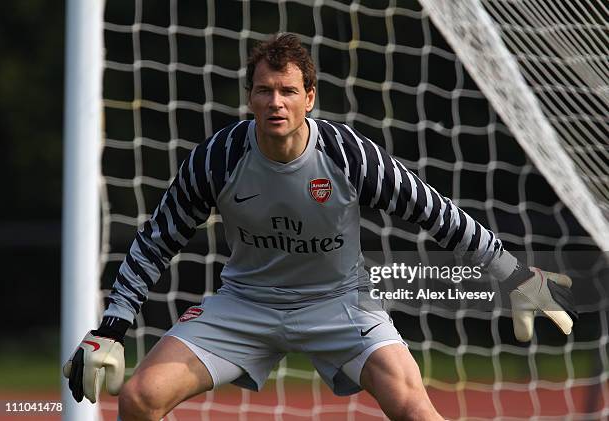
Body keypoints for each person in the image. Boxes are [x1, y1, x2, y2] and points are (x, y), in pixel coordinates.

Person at [63, 33, 577, 421]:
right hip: (246, 302)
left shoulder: (347, 155)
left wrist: (512, 275)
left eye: (287, 91)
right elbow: (156, 242)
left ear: (310, 96)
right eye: (264, 91)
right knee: (138, 399)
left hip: (340, 303)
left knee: (415, 410)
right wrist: (112, 327)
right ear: (250, 98)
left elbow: (437, 213)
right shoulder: (218, 157)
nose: (275, 102)